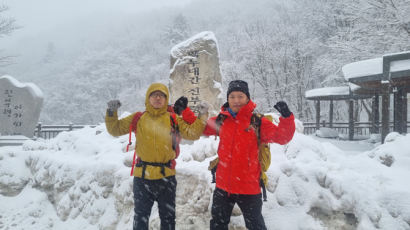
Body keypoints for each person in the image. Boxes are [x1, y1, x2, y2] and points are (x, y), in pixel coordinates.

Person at [105, 83, 208, 230]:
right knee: (140, 220)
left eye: (162, 95)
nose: (158, 98)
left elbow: (193, 133)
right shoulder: (138, 118)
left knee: (168, 220)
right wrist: (111, 111)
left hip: (166, 178)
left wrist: (202, 116)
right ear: (148, 98)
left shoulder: (173, 119)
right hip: (142, 178)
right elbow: (114, 129)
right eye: (154, 95)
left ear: (166, 99)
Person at [203, 80, 295, 230]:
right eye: (232, 96)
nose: (236, 100)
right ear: (228, 99)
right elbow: (199, 127)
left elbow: (282, 137)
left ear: (247, 98)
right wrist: (181, 114)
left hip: (249, 187)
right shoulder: (222, 120)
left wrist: (286, 118)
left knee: (256, 226)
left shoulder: (257, 121)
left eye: (240, 96)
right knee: (218, 225)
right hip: (223, 187)